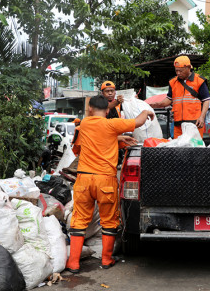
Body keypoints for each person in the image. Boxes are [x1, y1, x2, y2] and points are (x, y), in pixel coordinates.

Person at [66, 95, 154, 273]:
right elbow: (137, 122)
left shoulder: (83, 125)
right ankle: (106, 259)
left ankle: (73, 263)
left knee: (79, 220)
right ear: (107, 111)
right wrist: (146, 111)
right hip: (105, 180)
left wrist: (118, 140)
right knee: (109, 220)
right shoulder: (112, 124)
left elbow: (81, 148)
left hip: (84, 179)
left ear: (90, 109)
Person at [150, 56, 210, 138]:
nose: (178, 73)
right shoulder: (173, 82)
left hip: (195, 123)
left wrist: (202, 117)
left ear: (188, 68)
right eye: (176, 70)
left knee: (195, 148)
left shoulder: (199, 81)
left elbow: (206, 100)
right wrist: (157, 104)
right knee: (178, 149)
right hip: (178, 124)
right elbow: (169, 99)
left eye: (180, 71)